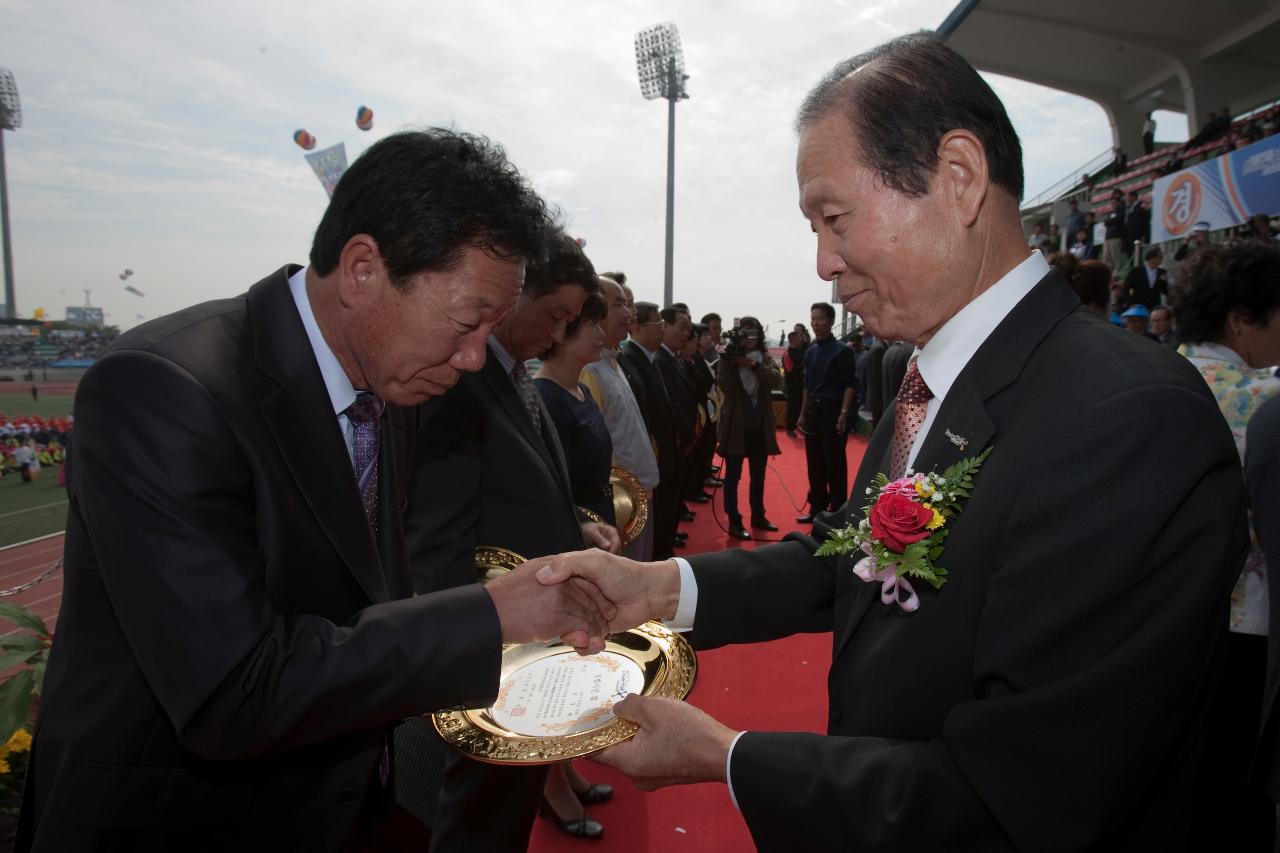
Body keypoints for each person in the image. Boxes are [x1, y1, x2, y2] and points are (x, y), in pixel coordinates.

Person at [532, 32, 1248, 851]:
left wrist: (728, 757)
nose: (823, 263)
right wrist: (659, 589)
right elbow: (856, 556)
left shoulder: (1125, 418)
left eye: (833, 218)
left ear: (959, 177)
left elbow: (1022, 797)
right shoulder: (936, 379)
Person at [17, 130, 615, 852]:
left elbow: (366, 605)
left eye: (491, 328)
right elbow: (234, 692)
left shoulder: (390, 379)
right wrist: (492, 614)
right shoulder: (165, 388)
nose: (472, 357)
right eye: (465, 323)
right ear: (362, 268)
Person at [398, 230, 617, 852]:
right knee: (474, 813)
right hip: (488, 656)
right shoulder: (458, 386)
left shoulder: (513, 377)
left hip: (526, 645)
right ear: (515, 296)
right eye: (554, 316)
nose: (556, 335)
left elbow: (518, 492)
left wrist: (575, 525)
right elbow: (436, 541)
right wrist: (459, 668)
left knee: (505, 808)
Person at [1172, 241, 1280, 851]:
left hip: (1155, 619)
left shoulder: (1140, 377)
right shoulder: (1263, 403)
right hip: (1246, 627)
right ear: (1241, 317)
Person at [581, 276, 659, 562]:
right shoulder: (590, 370)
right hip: (621, 506)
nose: (629, 313)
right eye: (619, 305)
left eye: (628, 304)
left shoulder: (612, 363)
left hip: (638, 499)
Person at [715, 316, 782, 540]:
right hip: (736, 427)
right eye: (746, 334)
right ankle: (734, 521)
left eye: (754, 334)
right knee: (733, 477)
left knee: (758, 476)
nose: (750, 339)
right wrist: (729, 360)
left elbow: (775, 380)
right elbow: (727, 387)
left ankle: (758, 515)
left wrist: (753, 364)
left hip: (759, 427)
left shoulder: (763, 357)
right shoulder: (728, 358)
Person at [797, 301, 856, 524]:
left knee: (835, 464)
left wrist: (843, 413)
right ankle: (816, 509)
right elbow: (806, 385)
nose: (815, 323)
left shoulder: (842, 351)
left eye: (819, 319)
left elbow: (850, 384)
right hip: (813, 412)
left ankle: (838, 511)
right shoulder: (811, 351)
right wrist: (802, 414)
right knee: (815, 464)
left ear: (830, 322)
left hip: (833, 412)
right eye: (813, 318)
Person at [1121, 246, 1168, 310]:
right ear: (1152, 258)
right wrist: (1130, 302)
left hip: (1154, 307)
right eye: (1160, 257)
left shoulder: (1162, 272)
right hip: (1139, 306)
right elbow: (1126, 288)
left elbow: (1165, 290)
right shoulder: (1136, 271)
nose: (1161, 259)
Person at [782, 330, 806, 436]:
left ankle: (799, 425)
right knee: (793, 406)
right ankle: (790, 428)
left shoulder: (801, 351)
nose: (800, 339)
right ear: (793, 340)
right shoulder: (788, 353)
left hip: (801, 384)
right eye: (798, 337)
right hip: (792, 385)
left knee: (800, 405)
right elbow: (789, 369)